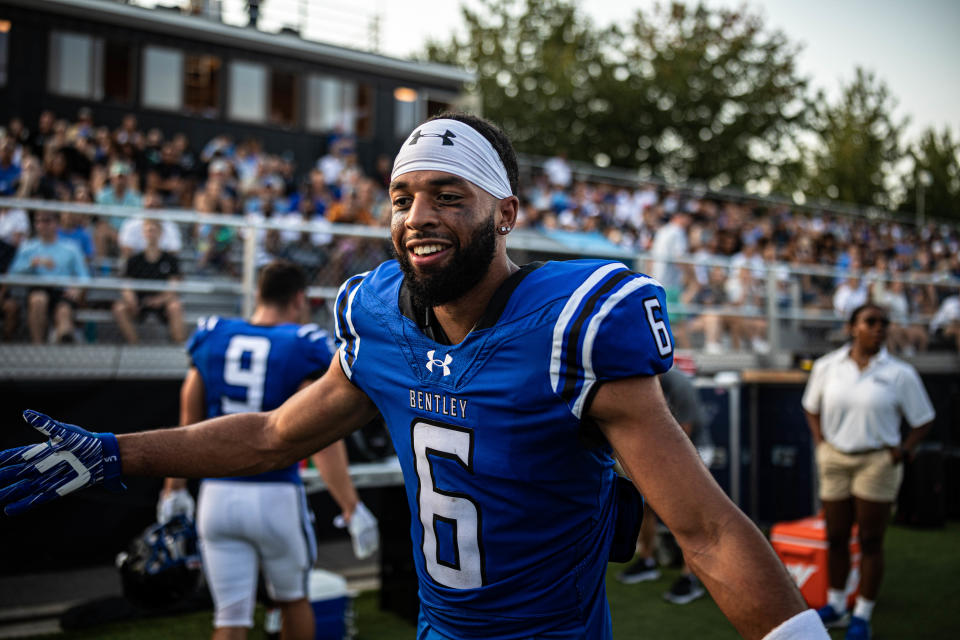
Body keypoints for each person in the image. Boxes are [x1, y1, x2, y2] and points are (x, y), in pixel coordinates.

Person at [0, 113, 826, 640]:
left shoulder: (571, 327)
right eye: (400, 198)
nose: (417, 217)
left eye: (446, 195)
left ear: (505, 213)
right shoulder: (380, 321)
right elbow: (269, 436)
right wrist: (113, 452)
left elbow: (708, 531)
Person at [156, 260, 378, 640]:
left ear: (258, 294)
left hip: (217, 495)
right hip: (276, 494)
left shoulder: (213, 333)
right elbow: (320, 433)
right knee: (293, 601)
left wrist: (173, 486)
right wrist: (350, 504)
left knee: (229, 616)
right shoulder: (303, 342)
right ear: (298, 298)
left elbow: (187, 419)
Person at [802, 303, 935, 640]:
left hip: (877, 462)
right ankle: (835, 605)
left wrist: (904, 450)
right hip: (834, 458)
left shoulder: (900, 372)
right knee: (836, 537)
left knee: (871, 541)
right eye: (870, 322)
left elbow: (923, 419)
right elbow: (811, 407)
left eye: (883, 323)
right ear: (852, 328)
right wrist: (820, 443)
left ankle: (862, 613)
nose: (879, 328)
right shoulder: (827, 366)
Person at [617, 366, 711, 606]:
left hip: (692, 450)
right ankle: (647, 560)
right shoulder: (634, 379)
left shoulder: (678, 383)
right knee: (644, 506)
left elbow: (684, 434)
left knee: (684, 513)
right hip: (656, 450)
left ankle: (690, 577)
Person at [7, 211, 90, 343]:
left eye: (46, 221)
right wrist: (31, 264)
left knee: (64, 311)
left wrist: (77, 288)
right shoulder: (27, 248)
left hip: (62, 291)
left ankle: (63, 343)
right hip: (38, 289)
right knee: (38, 299)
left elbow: (84, 276)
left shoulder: (71, 248)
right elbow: (12, 275)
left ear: (56, 224)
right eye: (38, 221)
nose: (42, 225)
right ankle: (38, 347)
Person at [111, 219, 186, 345]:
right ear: (143, 233)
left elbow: (174, 286)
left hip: (162, 302)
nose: (151, 234)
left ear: (161, 233)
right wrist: (130, 299)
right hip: (140, 301)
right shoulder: (134, 260)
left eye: (154, 230)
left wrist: (160, 300)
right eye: (148, 230)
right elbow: (126, 284)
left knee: (175, 307)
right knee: (119, 308)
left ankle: (179, 346)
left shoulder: (170, 260)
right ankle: (135, 345)